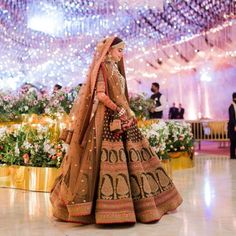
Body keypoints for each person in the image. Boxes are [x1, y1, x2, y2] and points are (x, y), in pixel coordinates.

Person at [50, 36, 182, 224]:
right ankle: (107, 210)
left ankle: (146, 205)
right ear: (109, 50)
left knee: (139, 155)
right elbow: (101, 95)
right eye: (119, 50)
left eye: (122, 50)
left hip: (122, 116)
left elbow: (120, 95)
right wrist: (118, 109)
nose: (122, 54)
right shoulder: (103, 67)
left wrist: (127, 110)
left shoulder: (116, 69)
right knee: (105, 160)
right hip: (106, 118)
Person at [228, 92, 236, 159]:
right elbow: (232, 118)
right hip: (232, 127)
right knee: (233, 141)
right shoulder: (231, 107)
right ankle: (232, 156)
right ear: (234, 98)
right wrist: (235, 126)